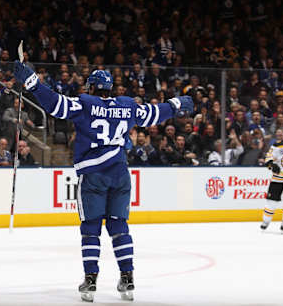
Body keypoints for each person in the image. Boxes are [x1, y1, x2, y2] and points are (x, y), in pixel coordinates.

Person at [13, 61, 193, 302]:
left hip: (93, 176)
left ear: (93, 87)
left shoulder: (85, 104)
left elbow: (56, 104)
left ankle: (90, 281)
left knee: (91, 229)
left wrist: (32, 82)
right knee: (119, 227)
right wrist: (176, 104)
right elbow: (154, 114)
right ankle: (127, 278)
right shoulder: (128, 105)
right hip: (120, 175)